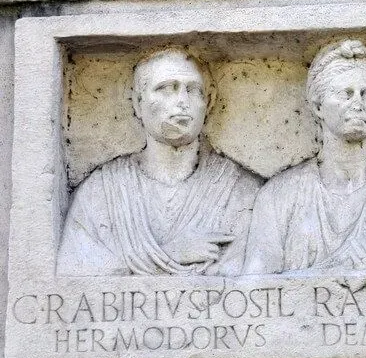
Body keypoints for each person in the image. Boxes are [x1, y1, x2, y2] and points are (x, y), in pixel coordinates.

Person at [57, 48, 261, 276]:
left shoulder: (242, 192)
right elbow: (74, 280)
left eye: (193, 90)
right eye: (165, 88)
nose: (182, 101)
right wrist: (169, 255)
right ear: (138, 103)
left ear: (209, 102)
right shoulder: (101, 194)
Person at [244, 40, 366, 274]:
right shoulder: (278, 197)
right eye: (345, 94)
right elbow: (256, 290)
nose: (358, 104)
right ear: (318, 106)